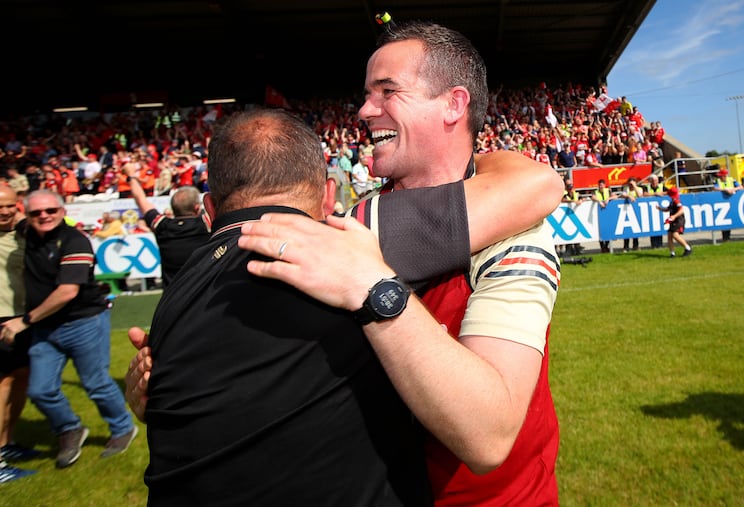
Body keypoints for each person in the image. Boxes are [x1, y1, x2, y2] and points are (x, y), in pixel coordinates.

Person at [126, 108, 561, 504]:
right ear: (329, 198)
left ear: (208, 211)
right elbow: (537, 184)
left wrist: (159, 391)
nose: (366, 107)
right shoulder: (352, 238)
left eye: (387, 91)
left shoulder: (174, 301)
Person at [238, 21, 561, 505]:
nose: (365, 110)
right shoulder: (355, 223)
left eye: (388, 92)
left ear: (454, 104)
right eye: (368, 93)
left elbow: (488, 437)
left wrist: (374, 290)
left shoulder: (518, 230)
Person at [0, 190, 138, 469]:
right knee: (40, 390)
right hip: (45, 328)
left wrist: (24, 321)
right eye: (36, 213)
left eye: (50, 210)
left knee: (95, 383)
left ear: (62, 211)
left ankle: (123, 428)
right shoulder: (28, 233)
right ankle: (70, 428)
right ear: (25, 215)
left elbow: (67, 291)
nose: (44, 216)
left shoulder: (76, 241)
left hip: (83, 322)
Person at [0, 186, 38, 483]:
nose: (4, 211)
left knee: (20, 377)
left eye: (10, 205)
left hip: (23, 318)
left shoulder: (25, 232)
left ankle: (7, 444)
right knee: (2, 385)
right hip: (1, 320)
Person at [123, 166, 211, 288]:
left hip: (172, 298)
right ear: (197, 208)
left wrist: (131, 176)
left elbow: (140, 199)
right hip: (203, 293)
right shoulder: (206, 224)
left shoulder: (162, 226)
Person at [658, 187, 692, 257]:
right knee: (670, 235)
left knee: (675, 235)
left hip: (678, 220)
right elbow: (668, 209)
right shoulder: (673, 201)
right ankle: (672, 253)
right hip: (673, 220)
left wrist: (674, 216)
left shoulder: (676, 201)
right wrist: (660, 209)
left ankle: (687, 248)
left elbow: (681, 210)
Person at [713, 168, 740, 241]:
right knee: (723, 221)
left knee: (731, 218)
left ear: (725, 176)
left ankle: (728, 236)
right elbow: (715, 188)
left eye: (721, 176)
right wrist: (725, 190)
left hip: (732, 202)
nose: (720, 177)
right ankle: (725, 237)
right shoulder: (717, 181)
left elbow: (740, 186)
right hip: (722, 202)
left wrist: (733, 189)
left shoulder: (732, 180)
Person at [592, 178, 617, 253]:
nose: (601, 187)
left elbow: (615, 196)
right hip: (598, 213)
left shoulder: (608, 191)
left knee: (608, 229)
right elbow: (593, 197)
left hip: (607, 213)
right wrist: (599, 201)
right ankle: (602, 247)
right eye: (600, 185)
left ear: (604, 185)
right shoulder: (595, 192)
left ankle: (606, 246)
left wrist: (608, 199)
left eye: (602, 185)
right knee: (600, 231)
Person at [642, 174, 665, 248]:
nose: (655, 182)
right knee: (652, 227)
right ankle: (653, 245)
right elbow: (644, 194)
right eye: (653, 180)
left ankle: (660, 244)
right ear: (650, 181)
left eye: (656, 180)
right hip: (650, 211)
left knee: (659, 227)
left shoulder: (661, 187)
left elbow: (668, 192)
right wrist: (654, 194)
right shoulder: (647, 187)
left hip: (659, 210)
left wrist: (661, 193)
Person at [621, 177, 643, 251]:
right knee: (626, 230)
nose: (630, 185)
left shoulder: (639, 189)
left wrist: (634, 186)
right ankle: (626, 246)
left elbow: (640, 195)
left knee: (635, 230)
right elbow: (623, 194)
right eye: (630, 183)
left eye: (632, 183)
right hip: (626, 211)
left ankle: (635, 246)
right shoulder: (626, 189)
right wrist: (629, 196)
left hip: (636, 211)